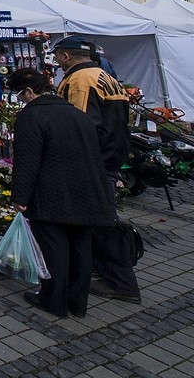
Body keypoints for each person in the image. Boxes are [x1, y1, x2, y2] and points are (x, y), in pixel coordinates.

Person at [6, 68, 115, 317]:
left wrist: (20, 197)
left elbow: (27, 160)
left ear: (30, 91)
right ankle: (78, 303)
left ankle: (53, 301)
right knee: (81, 248)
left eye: (20, 95)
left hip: (52, 194)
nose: (21, 99)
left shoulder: (31, 116)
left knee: (54, 248)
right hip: (86, 192)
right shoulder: (78, 115)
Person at [51, 34, 141, 304]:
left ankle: (121, 283)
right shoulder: (104, 75)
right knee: (101, 218)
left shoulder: (80, 80)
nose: (56, 61)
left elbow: (77, 125)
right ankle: (101, 271)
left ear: (66, 56)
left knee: (101, 221)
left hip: (93, 162)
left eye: (57, 56)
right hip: (110, 157)